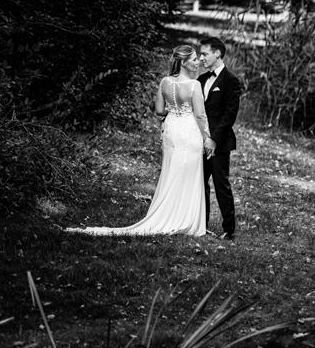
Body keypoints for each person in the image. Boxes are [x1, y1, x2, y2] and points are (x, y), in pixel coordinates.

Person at [67, 45, 216, 237]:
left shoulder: (164, 82)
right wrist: (207, 138)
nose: (198, 62)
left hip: (171, 129)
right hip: (189, 130)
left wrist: (174, 113)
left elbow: (159, 110)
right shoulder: (194, 86)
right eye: (194, 59)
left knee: (172, 170)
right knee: (188, 172)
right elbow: (201, 116)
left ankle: (170, 213)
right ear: (185, 62)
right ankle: (184, 219)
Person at [198, 36, 241, 240]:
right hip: (199, 140)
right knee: (200, 183)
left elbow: (229, 115)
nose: (201, 57)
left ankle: (229, 229)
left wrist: (214, 139)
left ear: (217, 53)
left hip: (219, 143)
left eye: (205, 53)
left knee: (220, 183)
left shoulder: (231, 80)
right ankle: (201, 223)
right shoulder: (202, 80)